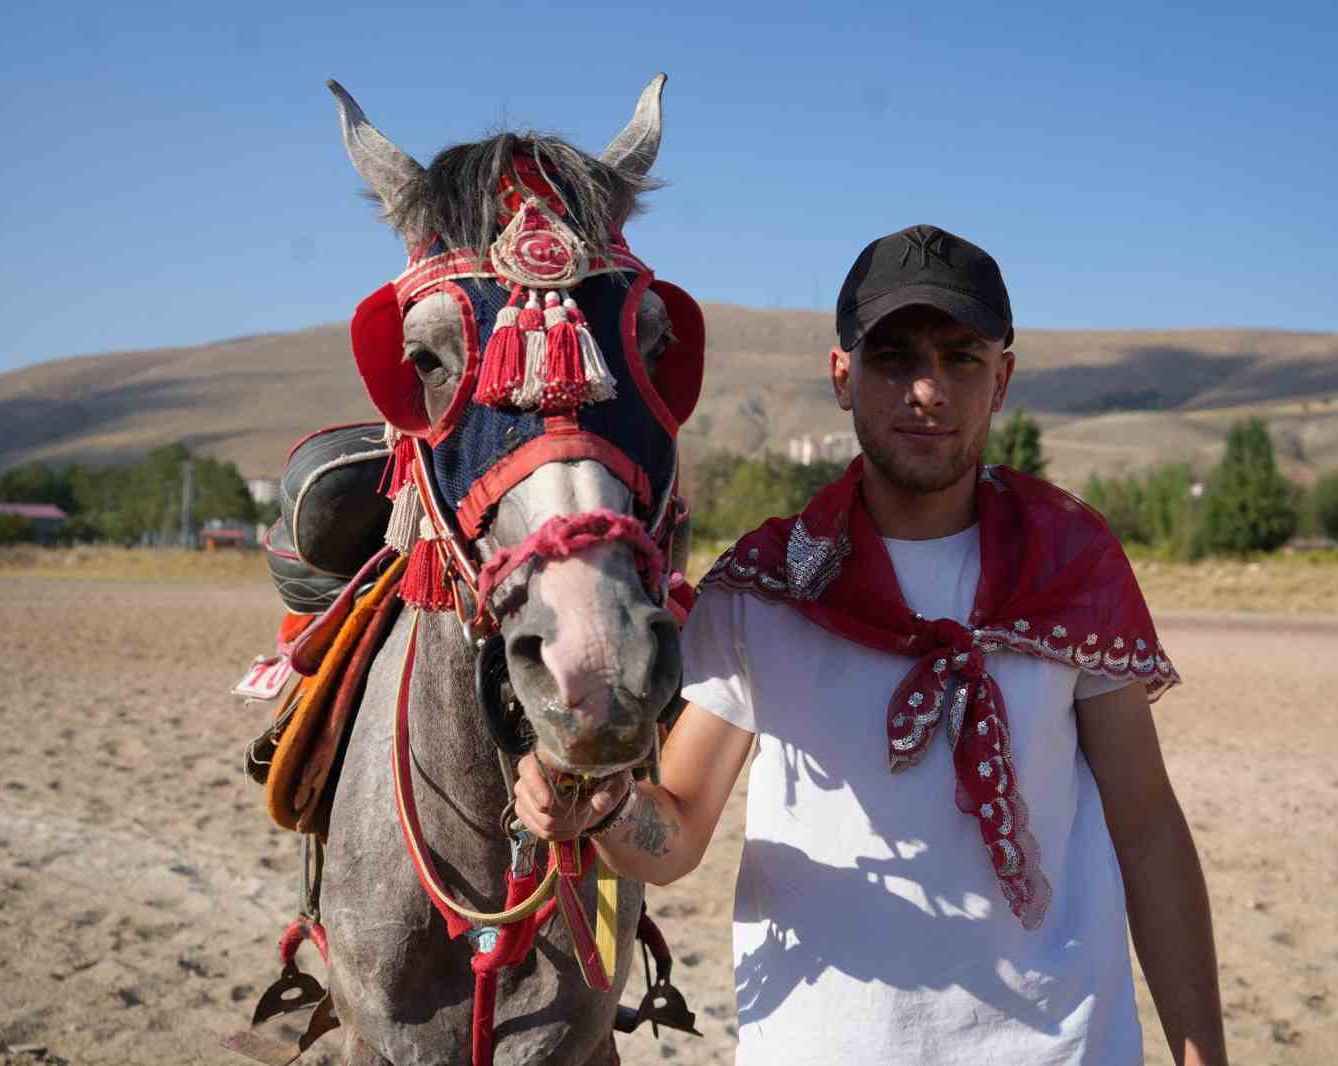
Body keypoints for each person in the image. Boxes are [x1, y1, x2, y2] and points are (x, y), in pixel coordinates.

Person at [515, 225, 1227, 1065]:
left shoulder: (1070, 567)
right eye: (893, 359)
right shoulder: (765, 589)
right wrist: (599, 809)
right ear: (841, 376)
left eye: (961, 359)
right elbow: (678, 834)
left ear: (1002, 380)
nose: (927, 390)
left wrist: (1201, 1056)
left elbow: (1147, 830)